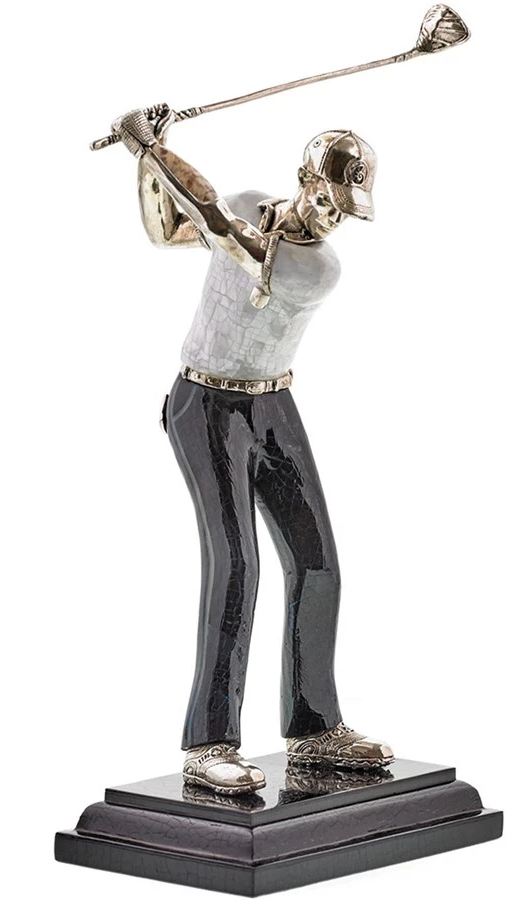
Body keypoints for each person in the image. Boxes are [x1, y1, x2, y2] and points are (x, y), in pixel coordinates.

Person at [113, 105, 393, 795]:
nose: (333, 218)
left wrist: (151, 149)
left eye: (346, 210)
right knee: (236, 563)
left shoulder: (315, 268)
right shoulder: (245, 202)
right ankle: (208, 743)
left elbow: (219, 229)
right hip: (203, 404)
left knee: (317, 560)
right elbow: (169, 229)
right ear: (305, 180)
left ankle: (314, 727)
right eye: (328, 200)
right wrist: (148, 163)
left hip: (272, 403)